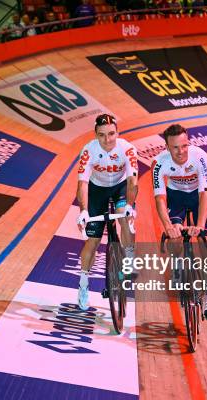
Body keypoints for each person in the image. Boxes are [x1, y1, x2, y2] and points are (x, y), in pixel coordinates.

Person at [151, 124, 207, 320]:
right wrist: (168, 227)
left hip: (198, 198)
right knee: (175, 239)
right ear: (167, 147)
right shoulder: (159, 163)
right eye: (175, 148)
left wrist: (200, 226)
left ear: (188, 142)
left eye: (184, 145)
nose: (181, 151)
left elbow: (204, 193)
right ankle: (178, 267)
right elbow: (160, 199)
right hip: (176, 197)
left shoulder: (201, 157)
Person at [76, 113, 138, 311]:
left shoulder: (127, 149)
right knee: (92, 241)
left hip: (120, 187)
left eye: (111, 134)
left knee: (125, 219)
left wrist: (129, 205)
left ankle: (129, 257)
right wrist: (84, 210)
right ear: (95, 135)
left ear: (117, 133)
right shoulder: (88, 150)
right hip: (97, 190)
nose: (107, 139)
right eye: (102, 135)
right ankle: (83, 285)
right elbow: (83, 183)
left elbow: (132, 181)